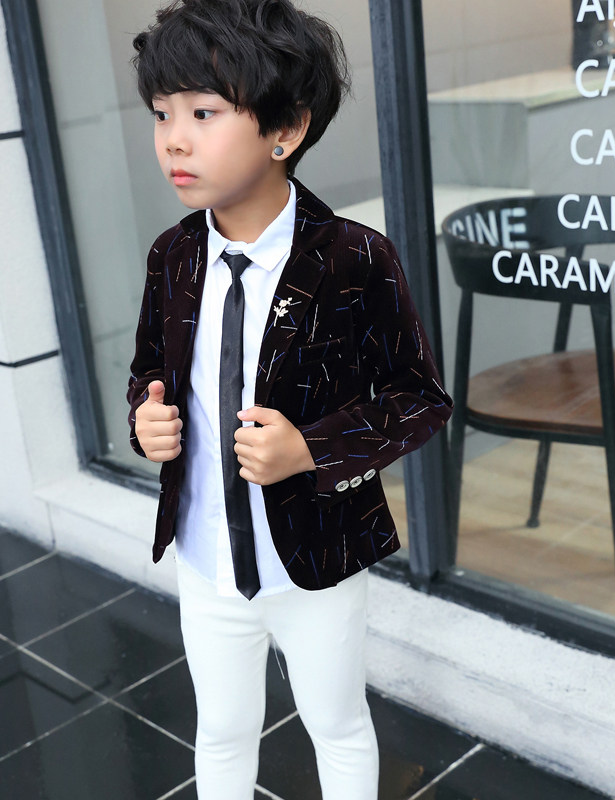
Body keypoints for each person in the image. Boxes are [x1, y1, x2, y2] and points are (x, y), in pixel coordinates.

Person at [126, 1, 452, 797]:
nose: (174, 139)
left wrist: (311, 448)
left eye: (203, 113)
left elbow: (419, 398)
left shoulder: (354, 260)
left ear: (286, 129)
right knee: (221, 728)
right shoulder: (173, 257)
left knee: (336, 724)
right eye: (162, 113)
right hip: (206, 556)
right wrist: (146, 420)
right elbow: (149, 372)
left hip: (316, 559)